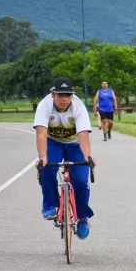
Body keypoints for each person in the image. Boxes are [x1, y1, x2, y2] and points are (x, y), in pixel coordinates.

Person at [34, 77, 97, 240]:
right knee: (47, 167)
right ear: (52, 94)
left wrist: (87, 156)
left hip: (75, 144)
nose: (64, 99)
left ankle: (83, 218)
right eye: (60, 95)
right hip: (52, 142)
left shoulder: (78, 107)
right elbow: (41, 133)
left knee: (81, 180)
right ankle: (50, 205)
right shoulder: (44, 105)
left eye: (68, 95)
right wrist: (43, 157)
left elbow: (83, 134)